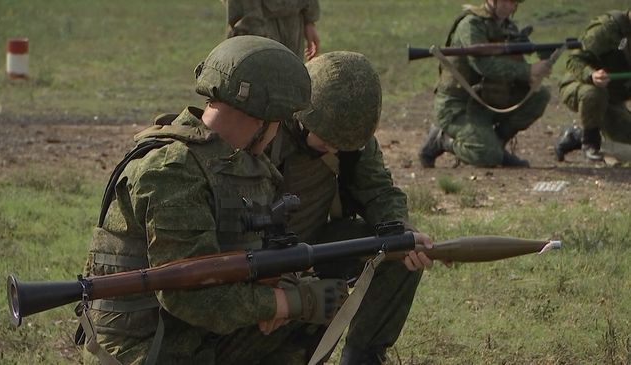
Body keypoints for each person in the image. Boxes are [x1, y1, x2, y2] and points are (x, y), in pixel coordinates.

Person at [79, 35, 352, 365]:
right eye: (278, 121)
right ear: (262, 117)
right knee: (302, 306)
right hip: (145, 346)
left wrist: (289, 287)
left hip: (193, 335)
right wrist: (284, 302)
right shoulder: (172, 171)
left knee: (309, 316)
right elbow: (190, 297)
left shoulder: (239, 164)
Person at [267, 51, 442, 365]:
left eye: (344, 143)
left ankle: (363, 356)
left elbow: (378, 191)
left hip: (314, 247)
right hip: (253, 259)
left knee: (397, 252)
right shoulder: (264, 131)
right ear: (302, 115)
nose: (336, 148)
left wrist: (402, 231)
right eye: (329, 140)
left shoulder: (352, 139)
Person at [419, 0, 552, 168]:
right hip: (458, 106)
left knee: (538, 96)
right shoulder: (470, 25)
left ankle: (497, 145)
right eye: (504, 1)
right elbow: (484, 65)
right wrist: (527, 70)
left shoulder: (508, 27)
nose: (508, 6)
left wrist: (532, 76)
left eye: (513, 2)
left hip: (487, 101)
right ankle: (441, 139)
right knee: (487, 156)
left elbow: (513, 65)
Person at [554, 8, 631, 162]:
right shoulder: (608, 28)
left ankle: (575, 136)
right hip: (581, 85)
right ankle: (590, 142)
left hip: (613, 98)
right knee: (594, 93)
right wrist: (591, 75)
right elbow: (574, 59)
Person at [221, 0, 320, 60]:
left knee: (292, 84)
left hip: (293, 21)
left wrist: (309, 18)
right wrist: (251, 31)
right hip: (260, 23)